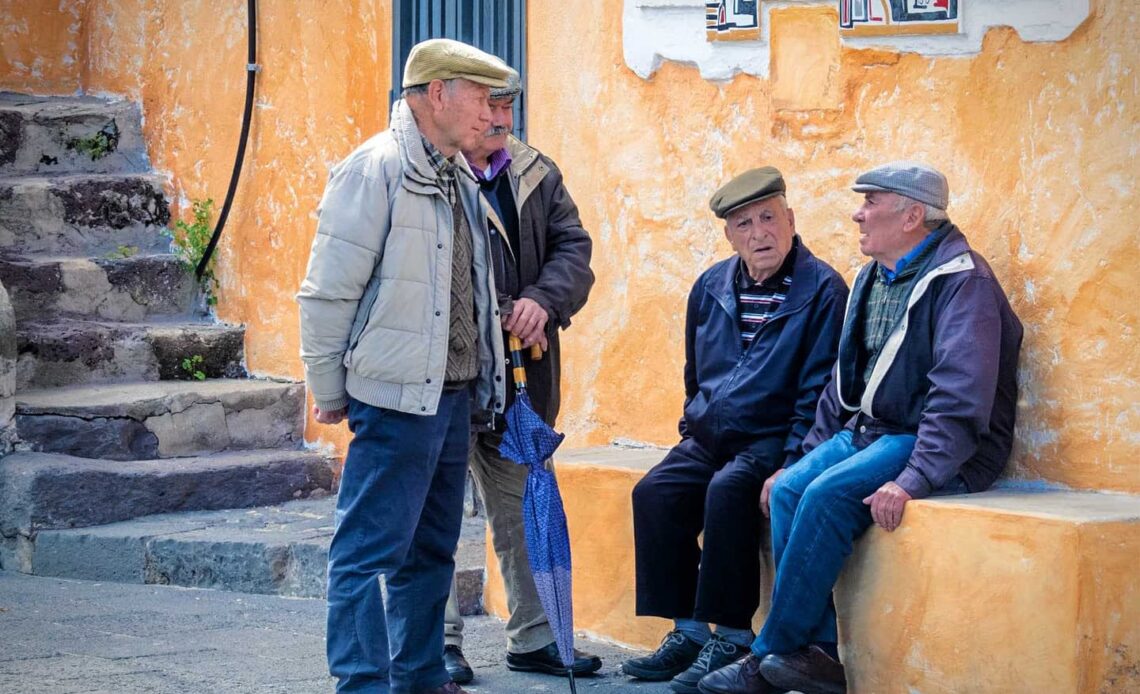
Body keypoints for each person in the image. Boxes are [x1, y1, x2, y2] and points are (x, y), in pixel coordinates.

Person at [697, 162, 1024, 694]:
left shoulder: (964, 282)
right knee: (789, 491)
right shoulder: (876, 273)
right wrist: (799, 458)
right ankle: (821, 655)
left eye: (871, 202)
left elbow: (960, 399)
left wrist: (914, 479)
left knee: (825, 495)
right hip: (871, 430)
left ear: (912, 215)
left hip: (932, 443)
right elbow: (841, 382)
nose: (858, 213)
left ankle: (766, 655)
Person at [297, 38, 511, 694]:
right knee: (367, 553)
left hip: (451, 398)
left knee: (432, 551)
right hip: (393, 397)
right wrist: (327, 386)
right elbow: (327, 289)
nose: (493, 116)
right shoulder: (376, 168)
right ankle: (361, 684)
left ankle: (419, 677)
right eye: (481, 99)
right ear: (437, 92)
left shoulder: (457, 175)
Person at [621, 167, 849, 694]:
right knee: (655, 492)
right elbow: (694, 370)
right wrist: (689, 428)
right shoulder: (711, 285)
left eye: (768, 218)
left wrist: (793, 461)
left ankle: (733, 636)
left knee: (728, 493)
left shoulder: (822, 290)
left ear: (790, 220)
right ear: (729, 235)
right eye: (743, 224)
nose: (758, 234)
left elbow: (818, 389)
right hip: (707, 436)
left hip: (771, 441)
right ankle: (690, 631)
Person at [441, 67, 600, 684]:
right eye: (492, 113)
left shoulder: (536, 171)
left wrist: (543, 299)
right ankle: (442, 643)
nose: (503, 127)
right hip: (450, 375)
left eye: (509, 114)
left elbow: (574, 250)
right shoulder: (432, 173)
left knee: (524, 507)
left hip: (520, 379)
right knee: (441, 517)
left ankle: (535, 637)